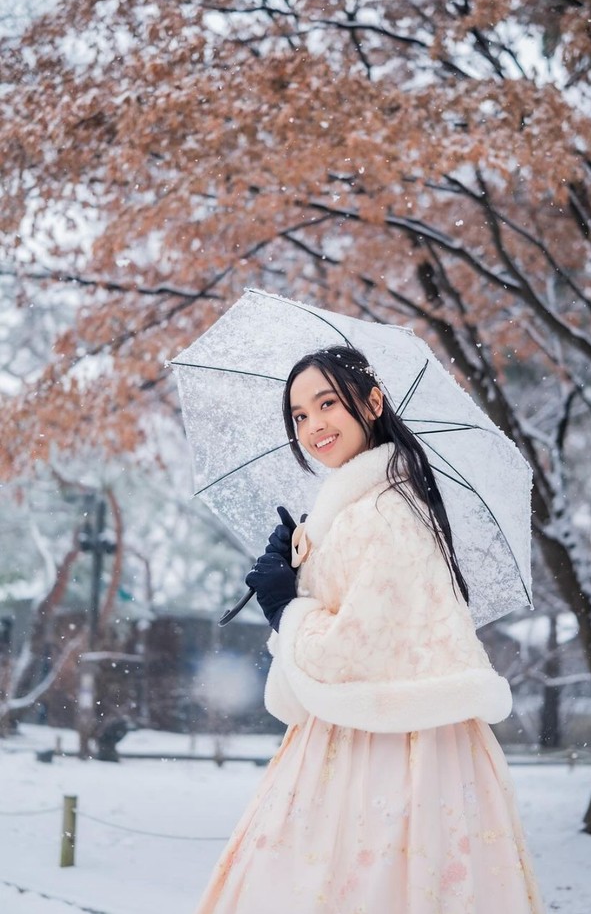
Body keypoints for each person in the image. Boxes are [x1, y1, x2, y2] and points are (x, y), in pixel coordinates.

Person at [194, 345, 545, 914]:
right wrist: (298, 567)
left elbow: (353, 652)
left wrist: (286, 608)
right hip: (377, 736)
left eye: (327, 403)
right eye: (299, 415)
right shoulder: (362, 508)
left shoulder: (384, 511)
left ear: (374, 402)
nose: (312, 426)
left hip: (386, 750)